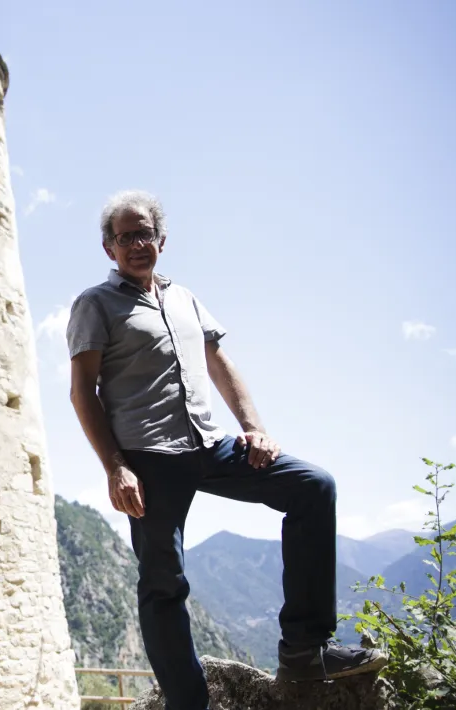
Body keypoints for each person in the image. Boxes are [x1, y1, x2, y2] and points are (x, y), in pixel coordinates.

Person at [66, 190, 387, 710]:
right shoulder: (94, 305)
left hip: (209, 446)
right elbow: (84, 392)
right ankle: (188, 702)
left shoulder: (185, 298)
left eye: (144, 232)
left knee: (312, 486)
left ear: (161, 239)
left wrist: (254, 428)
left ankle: (305, 648)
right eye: (124, 237)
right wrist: (115, 466)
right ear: (109, 249)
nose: (136, 244)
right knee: (163, 582)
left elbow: (219, 363)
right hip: (148, 461)